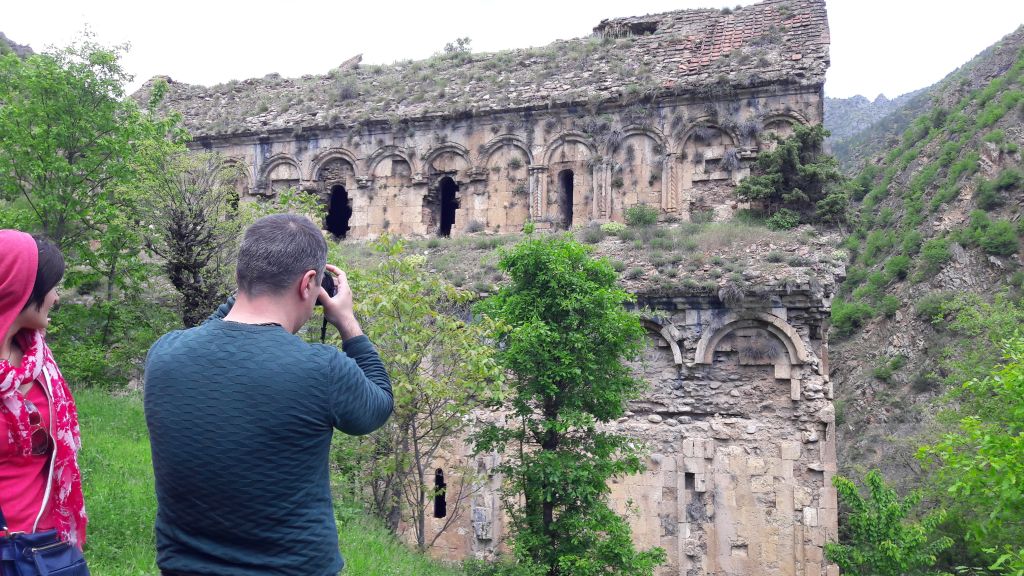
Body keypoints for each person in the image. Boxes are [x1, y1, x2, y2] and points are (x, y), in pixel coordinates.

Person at [143, 214, 393, 576]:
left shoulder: (164, 354)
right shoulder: (322, 368)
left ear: (240, 277)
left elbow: (216, 331)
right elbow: (378, 404)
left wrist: (247, 293)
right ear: (308, 283)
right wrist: (347, 323)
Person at [0, 230, 88, 548]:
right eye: (51, 287)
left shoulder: (39, 363)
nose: (56, 298)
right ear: (19, 288)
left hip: (46, 547)